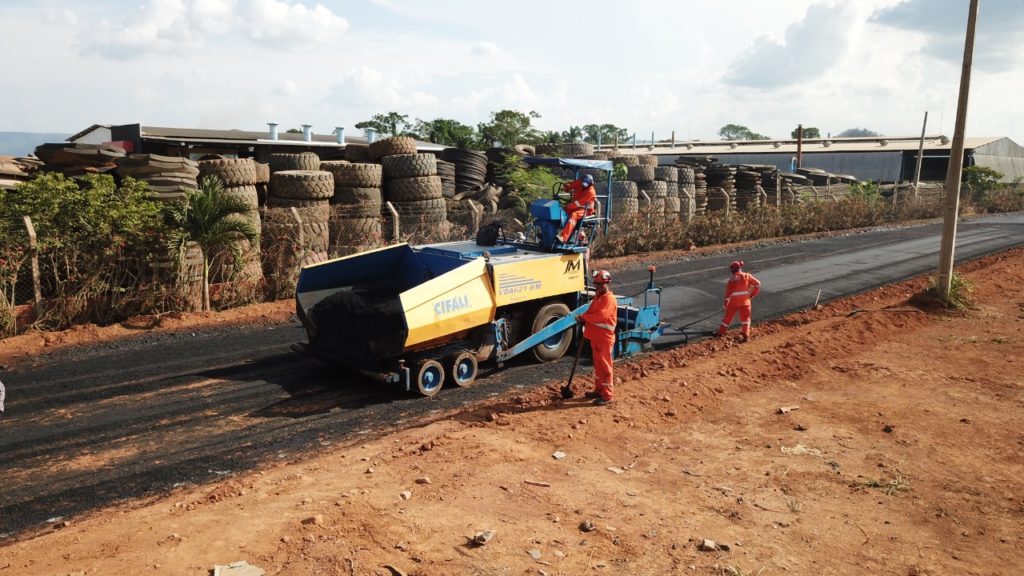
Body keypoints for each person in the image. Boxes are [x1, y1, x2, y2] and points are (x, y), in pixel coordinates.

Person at [578, 269, 617, 405]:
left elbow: (601, 316)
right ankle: (599, 390)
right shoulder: (598, 297)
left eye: (600, 284)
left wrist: (584, 317)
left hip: (604, 339)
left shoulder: (609, 300)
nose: (597, 287)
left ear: (607, 284)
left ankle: (607, 396)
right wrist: (584, 317)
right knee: (598, 366)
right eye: (596, 284)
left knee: (605, 368)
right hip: (596, 337)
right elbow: (591, 311)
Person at [716, 260, 761, 342]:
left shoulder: (731, 281)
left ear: (732, 270)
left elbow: (728, 295)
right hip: (745, 302)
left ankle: (720, 333)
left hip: (733, 303)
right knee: (746, 319)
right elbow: (758, 284)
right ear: (740, 268)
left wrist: (725, 305)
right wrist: (752, 294)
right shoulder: (747, 276)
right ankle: (746, 335)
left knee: (727, 319)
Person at [558, 173, 596, 243]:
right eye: (583, 183)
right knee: (560, 211)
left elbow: (579, 203)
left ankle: (564, 238)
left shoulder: (591, 192)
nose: (583, 185)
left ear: (590, 183)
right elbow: (572, 184)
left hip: (586, 210)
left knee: (574, 215)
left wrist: (569, 206)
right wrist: (567, 186)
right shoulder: (580, 182)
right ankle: (551, 234)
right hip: (575, 207)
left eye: (585, 184)